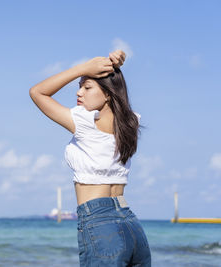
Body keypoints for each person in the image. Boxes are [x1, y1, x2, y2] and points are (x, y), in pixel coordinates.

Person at [29, 50, 151, 266]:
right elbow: (116, 90)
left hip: (100, 223)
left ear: (108, 95)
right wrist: (114, 67)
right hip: (131, 226)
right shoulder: (130, 124)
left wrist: (82, 68)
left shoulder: (85, 123)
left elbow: (37, 92)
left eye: (87, 87)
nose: (79, 93)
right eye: (79, 87)